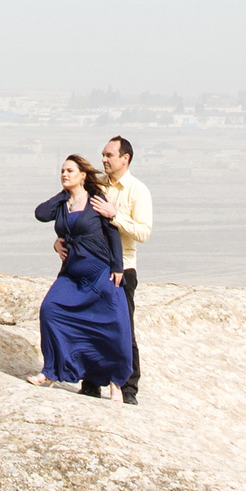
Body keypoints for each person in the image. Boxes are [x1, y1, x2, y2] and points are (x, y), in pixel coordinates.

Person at [28, 154, 135, 396]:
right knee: (50, 310)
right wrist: (65, 192)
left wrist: (117, 267)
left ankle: (116, 382)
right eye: (62, 171)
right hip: (71, 275)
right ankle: (51, 370)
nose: (65, 174)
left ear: (83, 175)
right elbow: (40, 213)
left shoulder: (96, 200)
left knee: (114, 325)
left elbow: (112, 235)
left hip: (99, 273)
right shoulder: (62, 205)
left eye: (70, 171)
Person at [84, 135, 153, 404]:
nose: (104, 159)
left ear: (125, 158)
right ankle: (90, 382)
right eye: (103, 154)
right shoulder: (96, 186)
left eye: (109, 155)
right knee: (91, 324)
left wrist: (115, 216)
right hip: (94, 266)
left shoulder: (137, 190)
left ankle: (128, 388)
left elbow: (144, 232)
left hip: (124, 267)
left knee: (124, 328)